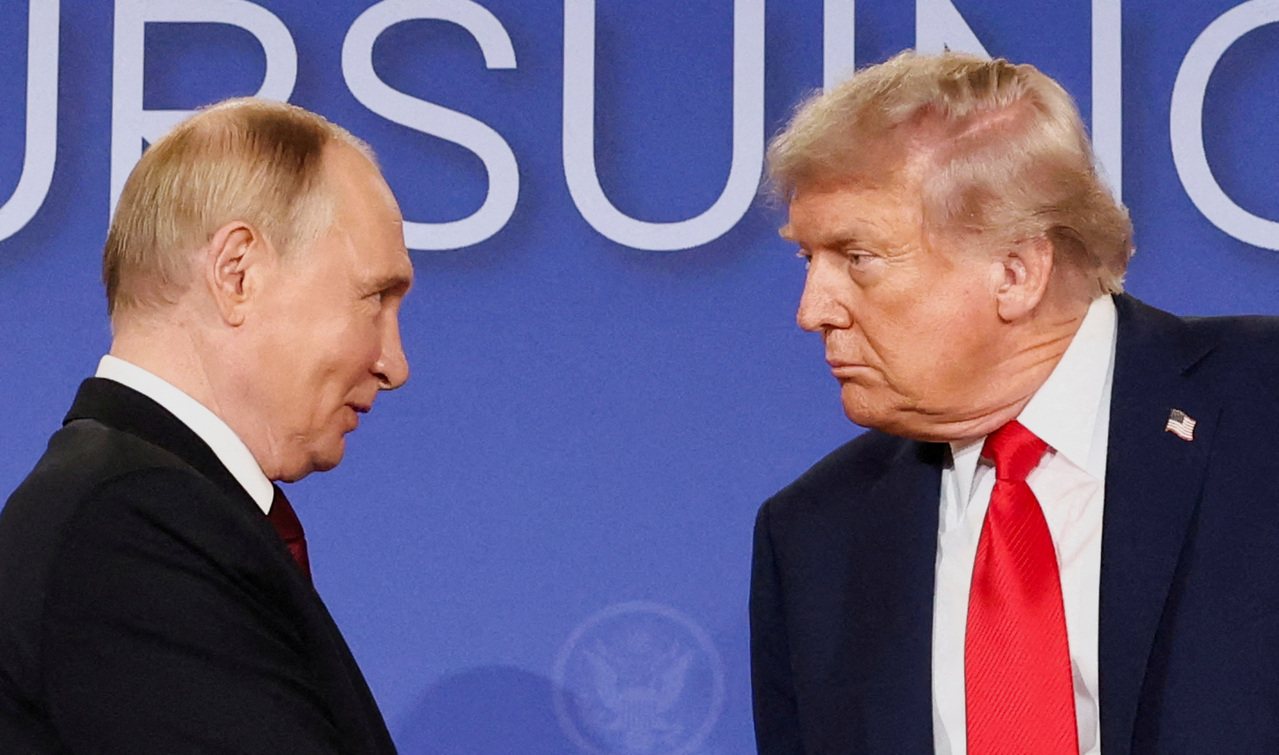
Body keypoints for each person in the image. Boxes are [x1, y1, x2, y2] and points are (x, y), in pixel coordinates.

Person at [749, 51, 1279, 755]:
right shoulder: (814, 536)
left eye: (857, 257)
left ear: (1016, 272)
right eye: (806, 259)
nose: (812, 310)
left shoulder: (1262, 406)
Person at [0, 98, 411, 752]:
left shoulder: (145, 507)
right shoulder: (132, 531)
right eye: (374, 299)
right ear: (237, 272)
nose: (394, 363)